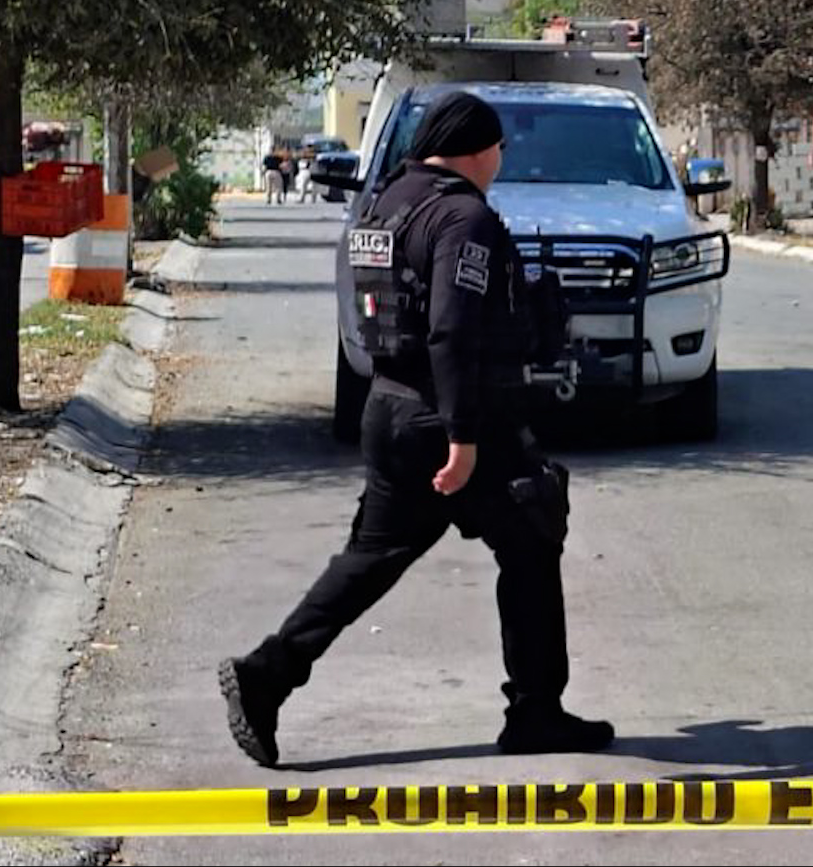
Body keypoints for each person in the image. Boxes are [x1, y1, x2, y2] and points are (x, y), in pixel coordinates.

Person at [219, 91, 612, 766]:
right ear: (477, 148)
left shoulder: (388, 202)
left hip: (391, 408)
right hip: (453, 421)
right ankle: (536, 712)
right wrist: (463, 440)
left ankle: (266, 674)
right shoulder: (463, 218)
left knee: (369, 563)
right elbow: (451, 329)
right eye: (498, 150)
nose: (499, 163)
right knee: (532, 537)